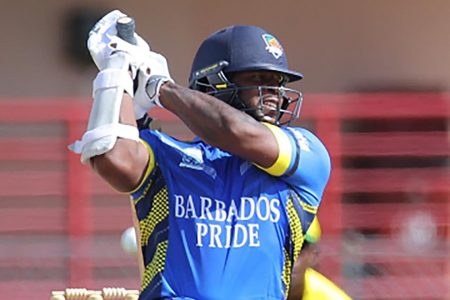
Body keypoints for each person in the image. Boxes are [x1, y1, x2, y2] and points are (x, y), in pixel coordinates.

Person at [70, 10, 332, 300]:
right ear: (210, 87)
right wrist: (117, 72)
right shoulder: (170, 156)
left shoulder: (306, 156)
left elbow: (235, 131)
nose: (273, 93)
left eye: (277, 83)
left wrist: (160, 88)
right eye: (258, 79)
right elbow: (110, 156)